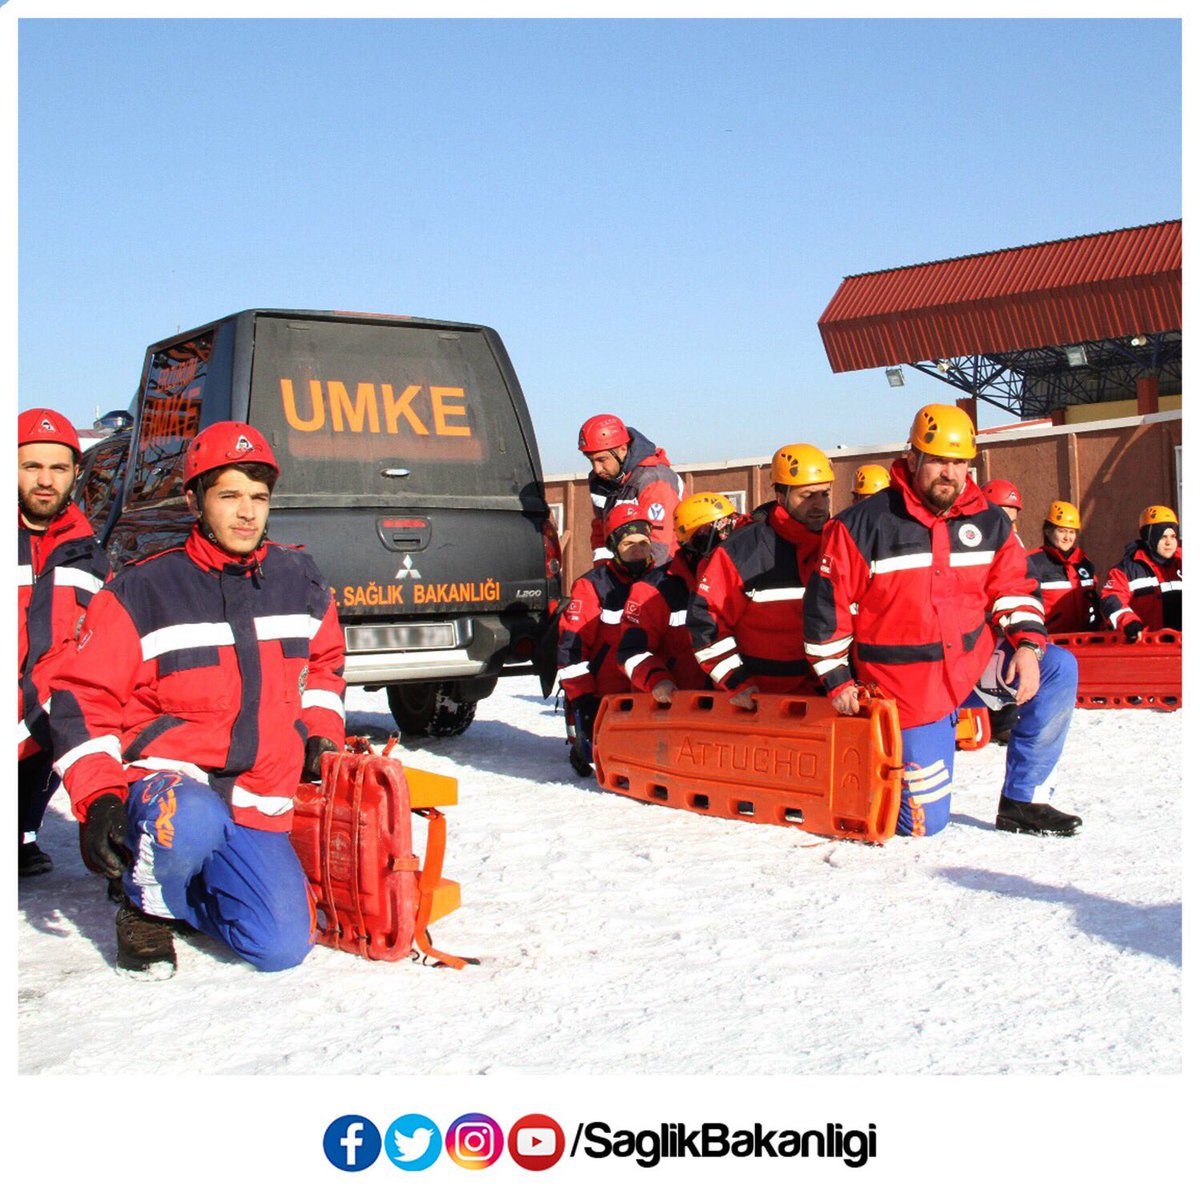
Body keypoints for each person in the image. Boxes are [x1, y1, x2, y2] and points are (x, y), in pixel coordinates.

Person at [49, 421, 346, 979]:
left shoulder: (299, 578)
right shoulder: (143, 589)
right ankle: (142, 903)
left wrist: (317, 731)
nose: (246, 513)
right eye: (229, 495)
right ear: (194, 499)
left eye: (258, 497)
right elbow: (82, 698)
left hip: (258, 791)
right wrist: (101, 799)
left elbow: (325, 666)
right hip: (171, 786)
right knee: (190, 820)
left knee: (279, 945)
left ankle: (191, 884)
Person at [804, 404, 1081, 838]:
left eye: (959, 463)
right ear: (912, 458)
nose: (948, 474)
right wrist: (838, 682)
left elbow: (1015, 588)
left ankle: (1023, 801)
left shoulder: (989, 521)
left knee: (1057, 668)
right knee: (922, 825)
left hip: (969, 667)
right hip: (907, 689)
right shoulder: (861, 525)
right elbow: (827, 611)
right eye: (937, 461)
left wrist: (1027, 646)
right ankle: (888, 767)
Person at [17, 408, 111, 876]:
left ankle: (21, 834)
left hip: (45, 716)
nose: (45, 480)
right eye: (31, 466)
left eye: (57, 468)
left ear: (75, 473)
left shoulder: (89, 554)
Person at [688, 443, 832, 709]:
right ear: (781, 495)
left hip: (822, 701)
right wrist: (736, 682)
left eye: (824, 494)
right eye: (808, 495)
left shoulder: (836, 542)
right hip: (756, 705)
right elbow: (704, 620)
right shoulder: (743, 550)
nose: (819, 505)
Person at [556, 500, 655, 775]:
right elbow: (571, 649)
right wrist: (584, 700)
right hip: (606, 696)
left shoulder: (664, 580)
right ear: (614, 547)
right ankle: (581, 744)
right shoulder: (592, 586)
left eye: (643, 541)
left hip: (652, 692)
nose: (637, 549)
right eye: (628, 544)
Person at [618, 492, 741, 705]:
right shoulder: (653, 590)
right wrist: (657, 680)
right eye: (721, 533)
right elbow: (631, 651)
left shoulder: (740, 580)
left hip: (734, 704)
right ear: (699, 541)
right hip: (675, 710)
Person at [578, 413, 684, 565]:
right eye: (591, 461)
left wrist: (638, 586)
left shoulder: (654, 480)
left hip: (665, 575)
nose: (597, 469)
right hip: (626, 573)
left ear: (622, 449)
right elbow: (601, 532)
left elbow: (659, 547)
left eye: (602, 460)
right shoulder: (601, 481)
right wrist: (602, 576)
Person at [1098, 505, 1182, 640]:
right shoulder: (1126, 570)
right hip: (1147, 646)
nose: (1169, 542)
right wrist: (1129, 621)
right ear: (1149, 537)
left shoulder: (1182, 563)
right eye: (1162, 537)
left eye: (1173, 536)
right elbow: (1111, 599)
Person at [1026, 501, 1100, 634]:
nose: (1067, 537)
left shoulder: (1084, 562)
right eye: (1062, 531)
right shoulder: (1033, 562)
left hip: (1084, 641)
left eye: (1072, 532)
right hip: (1050, 642)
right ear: (1048, 531)